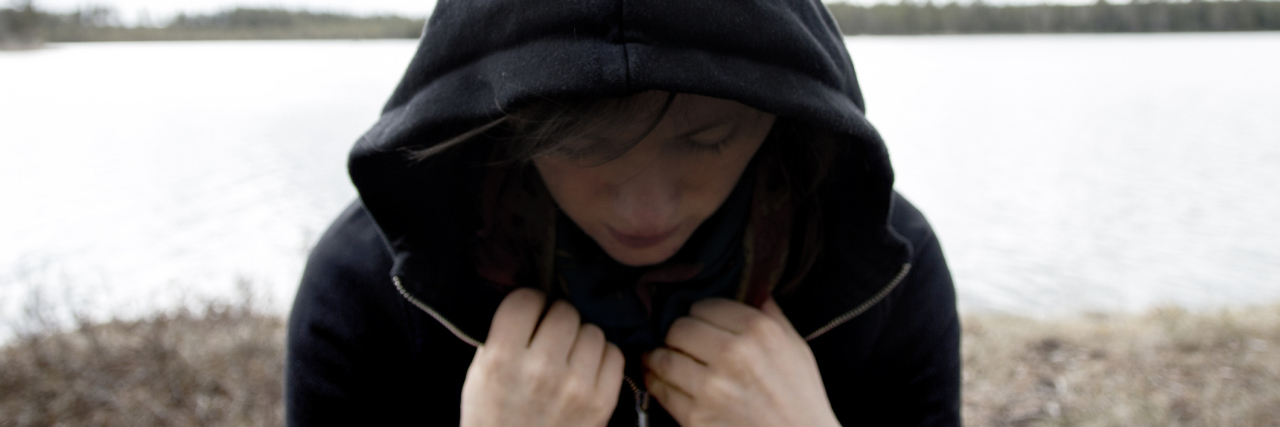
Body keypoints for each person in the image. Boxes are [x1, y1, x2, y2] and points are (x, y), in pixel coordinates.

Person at [286, 0, 960, 425]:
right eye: (584, 144)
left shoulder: (890, 272)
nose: (648, 209)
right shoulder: (367, 290)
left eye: (707, 139)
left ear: (783, 118)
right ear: (509, 124)